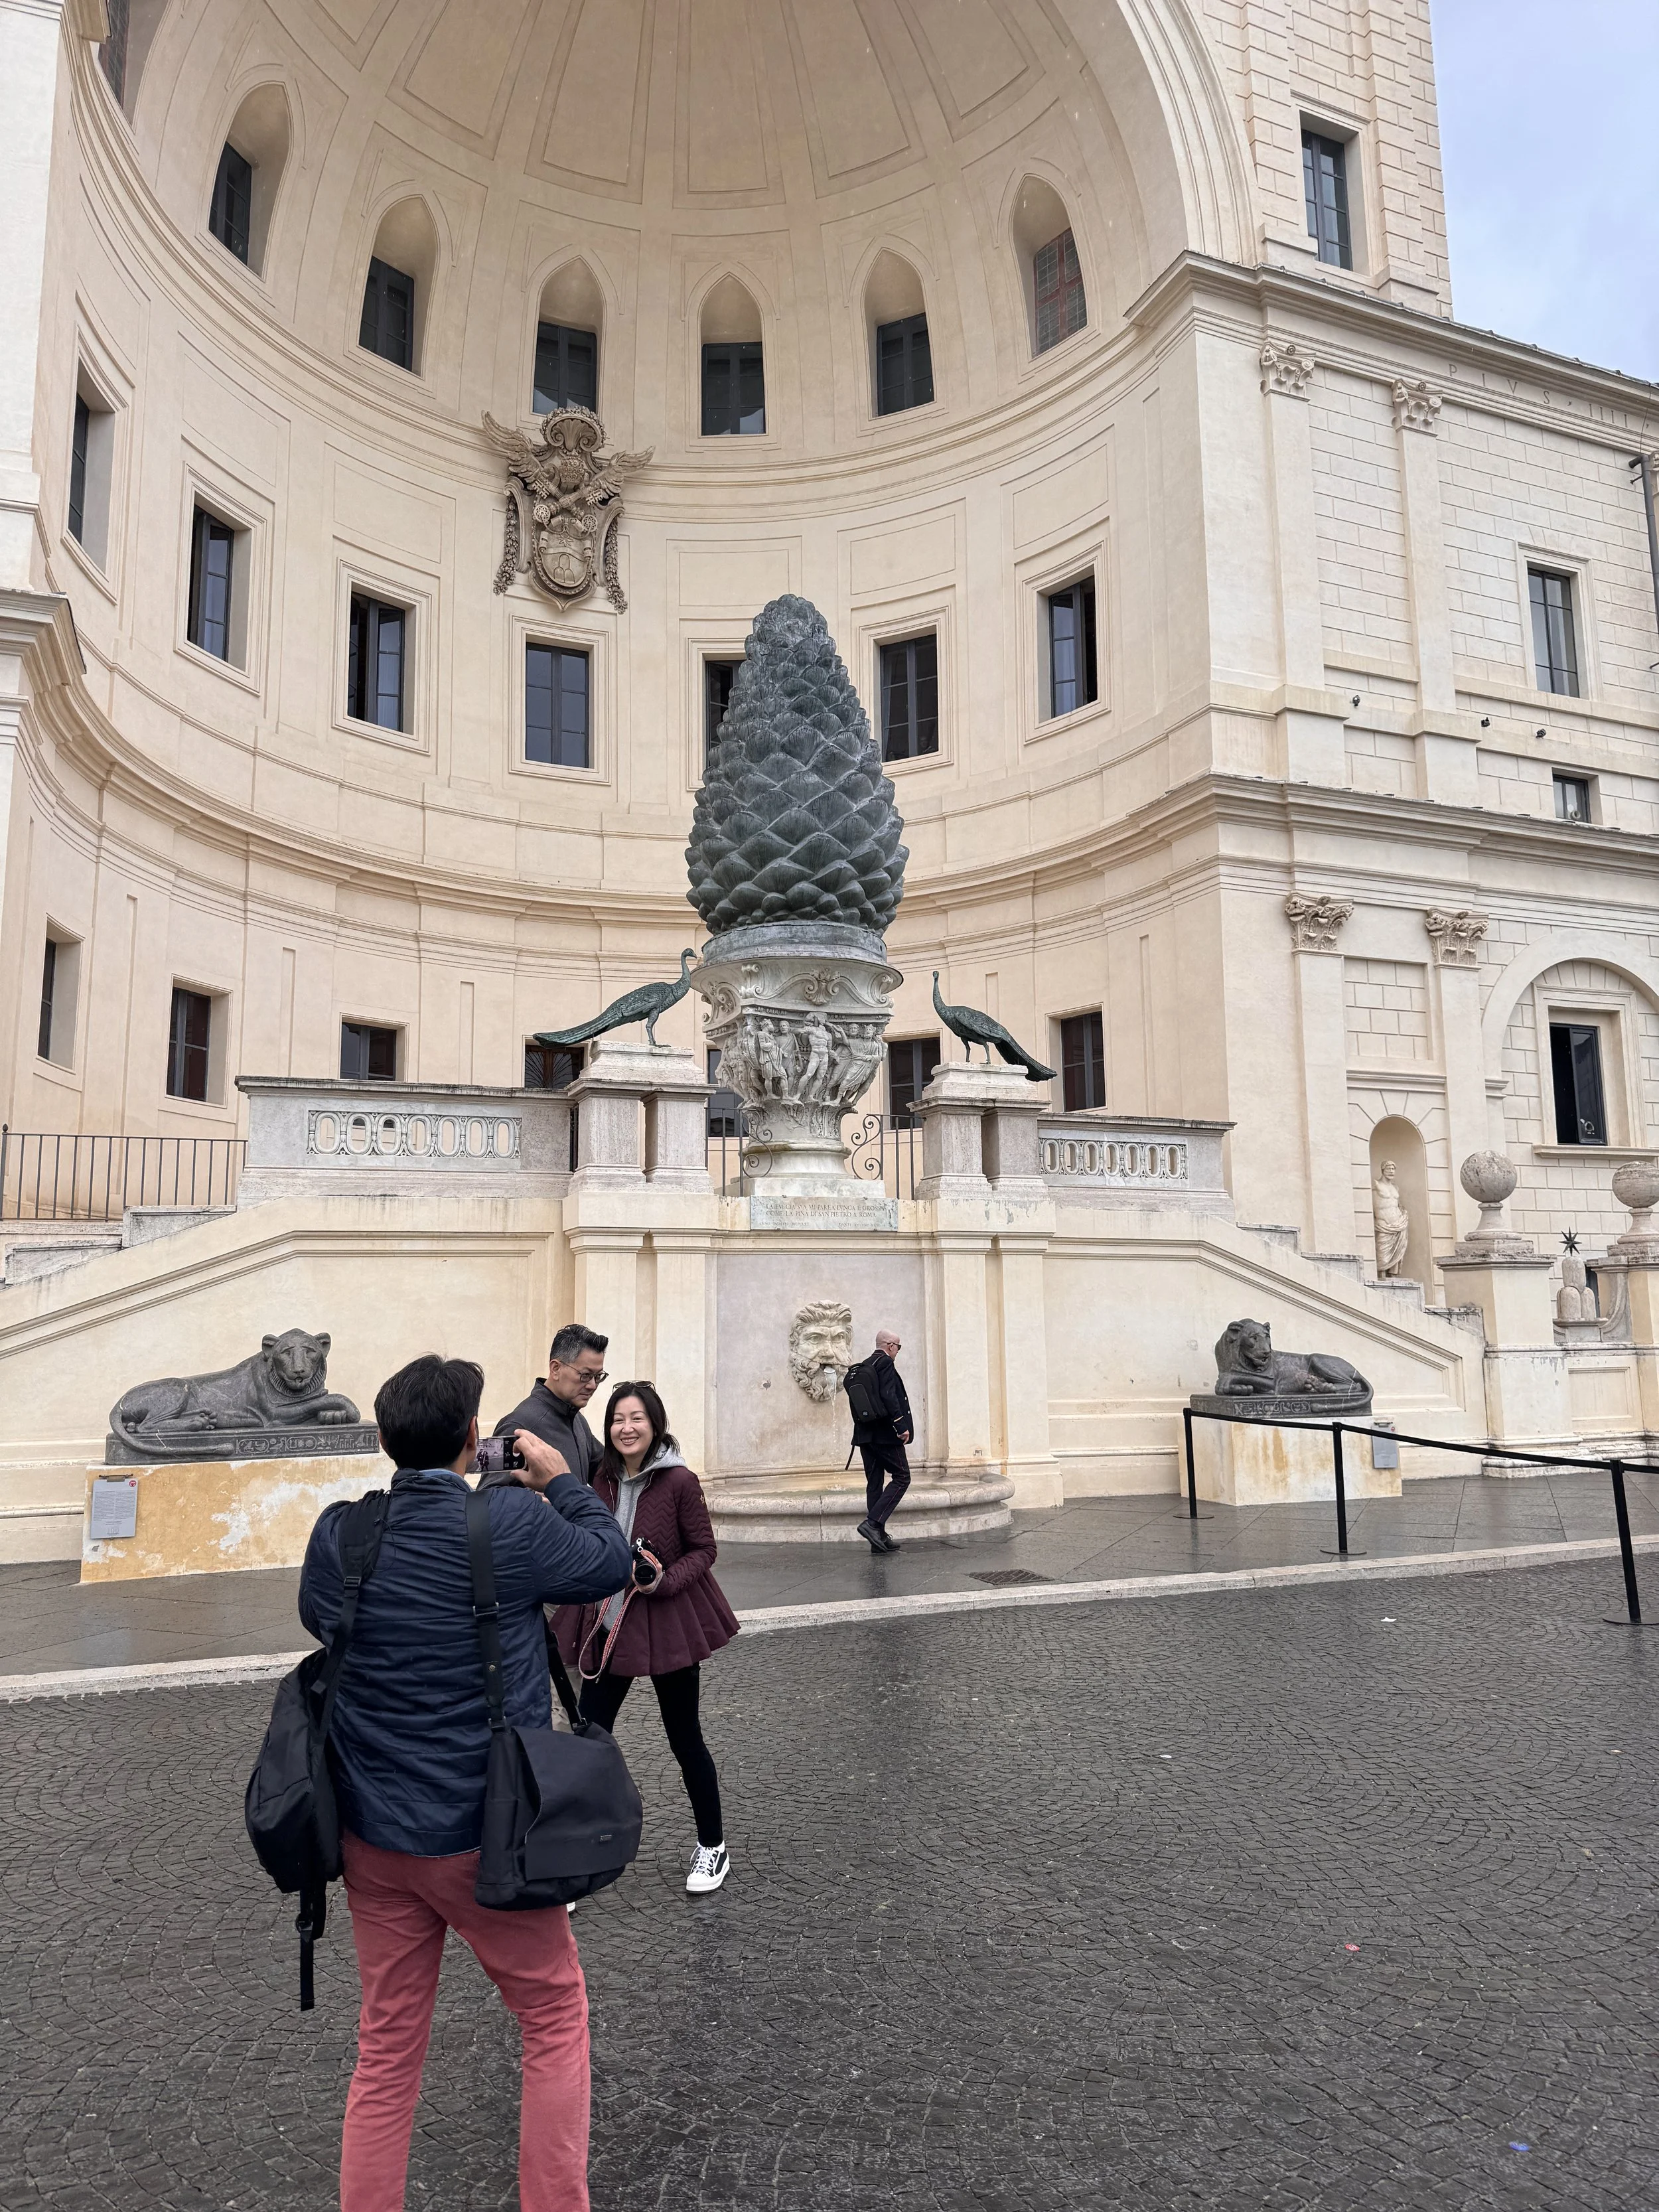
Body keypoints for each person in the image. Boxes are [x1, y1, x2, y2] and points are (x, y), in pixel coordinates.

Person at [300, 1353, 631, 2212]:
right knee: (554, 2022)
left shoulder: (340, 1532)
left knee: (387, 2048)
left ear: (383, 1440)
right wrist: (559, 1481)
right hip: (487, 1832)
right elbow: (607, 1563)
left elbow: (320, 1614)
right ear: (475, 1438)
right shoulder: (510, 1528)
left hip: (373, 1837)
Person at [553, 1381, 739, 1896]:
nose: (626, 1427)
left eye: (636, 1418)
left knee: (685, 1738)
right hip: (607, 1623)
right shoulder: (600, 1477)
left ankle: (713, 1845)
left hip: (666, 1624)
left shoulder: (680, 1480)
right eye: (617, 1419)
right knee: (590, 1743)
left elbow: (704, 1549)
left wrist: (664, 1580)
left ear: (654, 1423)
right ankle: (573, 1859)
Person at [492, 1323, 609, 1482]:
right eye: (586, 1375)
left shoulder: (578, 1420)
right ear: (555, 1369)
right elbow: (489, 1497)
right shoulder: (517, 1425)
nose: (592, 1385)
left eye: (598, 1377)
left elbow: (607, 1471)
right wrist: (540, 1502)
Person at [851, 1327, 912, 1554]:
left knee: (875, 1483)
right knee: (902, 1477)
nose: (898, 1351)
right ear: (890, 1346)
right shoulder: (885, 1363)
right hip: (885, 1435)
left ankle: (878, 1538)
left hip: (865, 1435)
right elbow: (889, 1396)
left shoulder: (866, 1364)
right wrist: (901, 1425)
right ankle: (873, 1524)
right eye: (898, 1347)